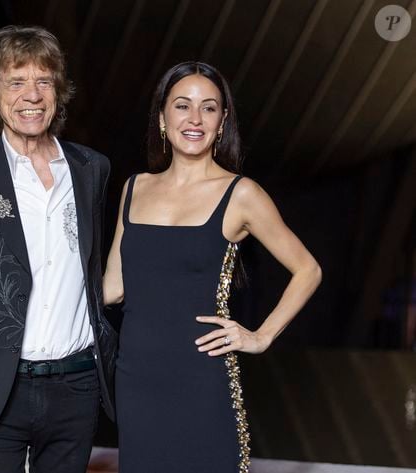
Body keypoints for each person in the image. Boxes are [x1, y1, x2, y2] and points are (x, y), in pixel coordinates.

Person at [103, 61, 322, 473]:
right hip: (136, 382)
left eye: (209, 108)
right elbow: (113, 288)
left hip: (201, 380)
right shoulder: (135, 188)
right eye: (182, 105)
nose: (195, 118)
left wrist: (261, 336)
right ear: (162, 117)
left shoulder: (240, 194)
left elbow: (308, 269)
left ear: (222, 123)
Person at [0, 25, 117, 473]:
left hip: (77, 387)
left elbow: (94, 268)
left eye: (43, 81)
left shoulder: (92, 170)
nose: (32, 95)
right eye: (16, 82)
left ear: (58, 92)